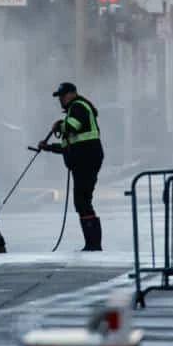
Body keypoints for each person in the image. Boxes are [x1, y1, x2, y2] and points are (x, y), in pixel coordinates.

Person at [39, 82, 103, 251]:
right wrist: (49, 147)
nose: (61, 99)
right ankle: (92, 243)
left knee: (83, 201)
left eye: (63, 95)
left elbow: (71, 127)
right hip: (83, 160)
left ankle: (93, 243)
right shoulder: (73, 111)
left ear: (73, 93)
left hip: (87, 159)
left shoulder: (78, 107)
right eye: (60, 96)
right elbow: (69, 146)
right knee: (81, 201)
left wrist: (59, 125)